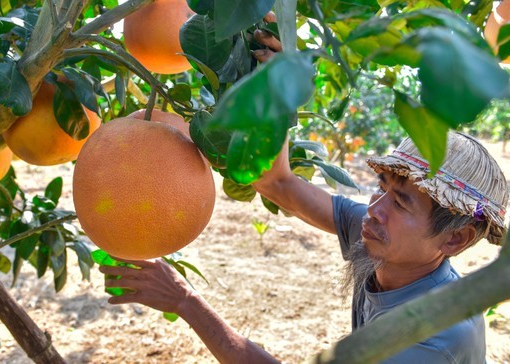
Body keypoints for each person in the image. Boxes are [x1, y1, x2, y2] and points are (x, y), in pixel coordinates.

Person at [99, 130, 508, 363]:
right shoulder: (385, 241)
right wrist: (277, 91)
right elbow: (279, 184)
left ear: (455, 238)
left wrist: (186, 301)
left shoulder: (432, 341)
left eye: (401, 202)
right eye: (382, 189)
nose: (375, 210)